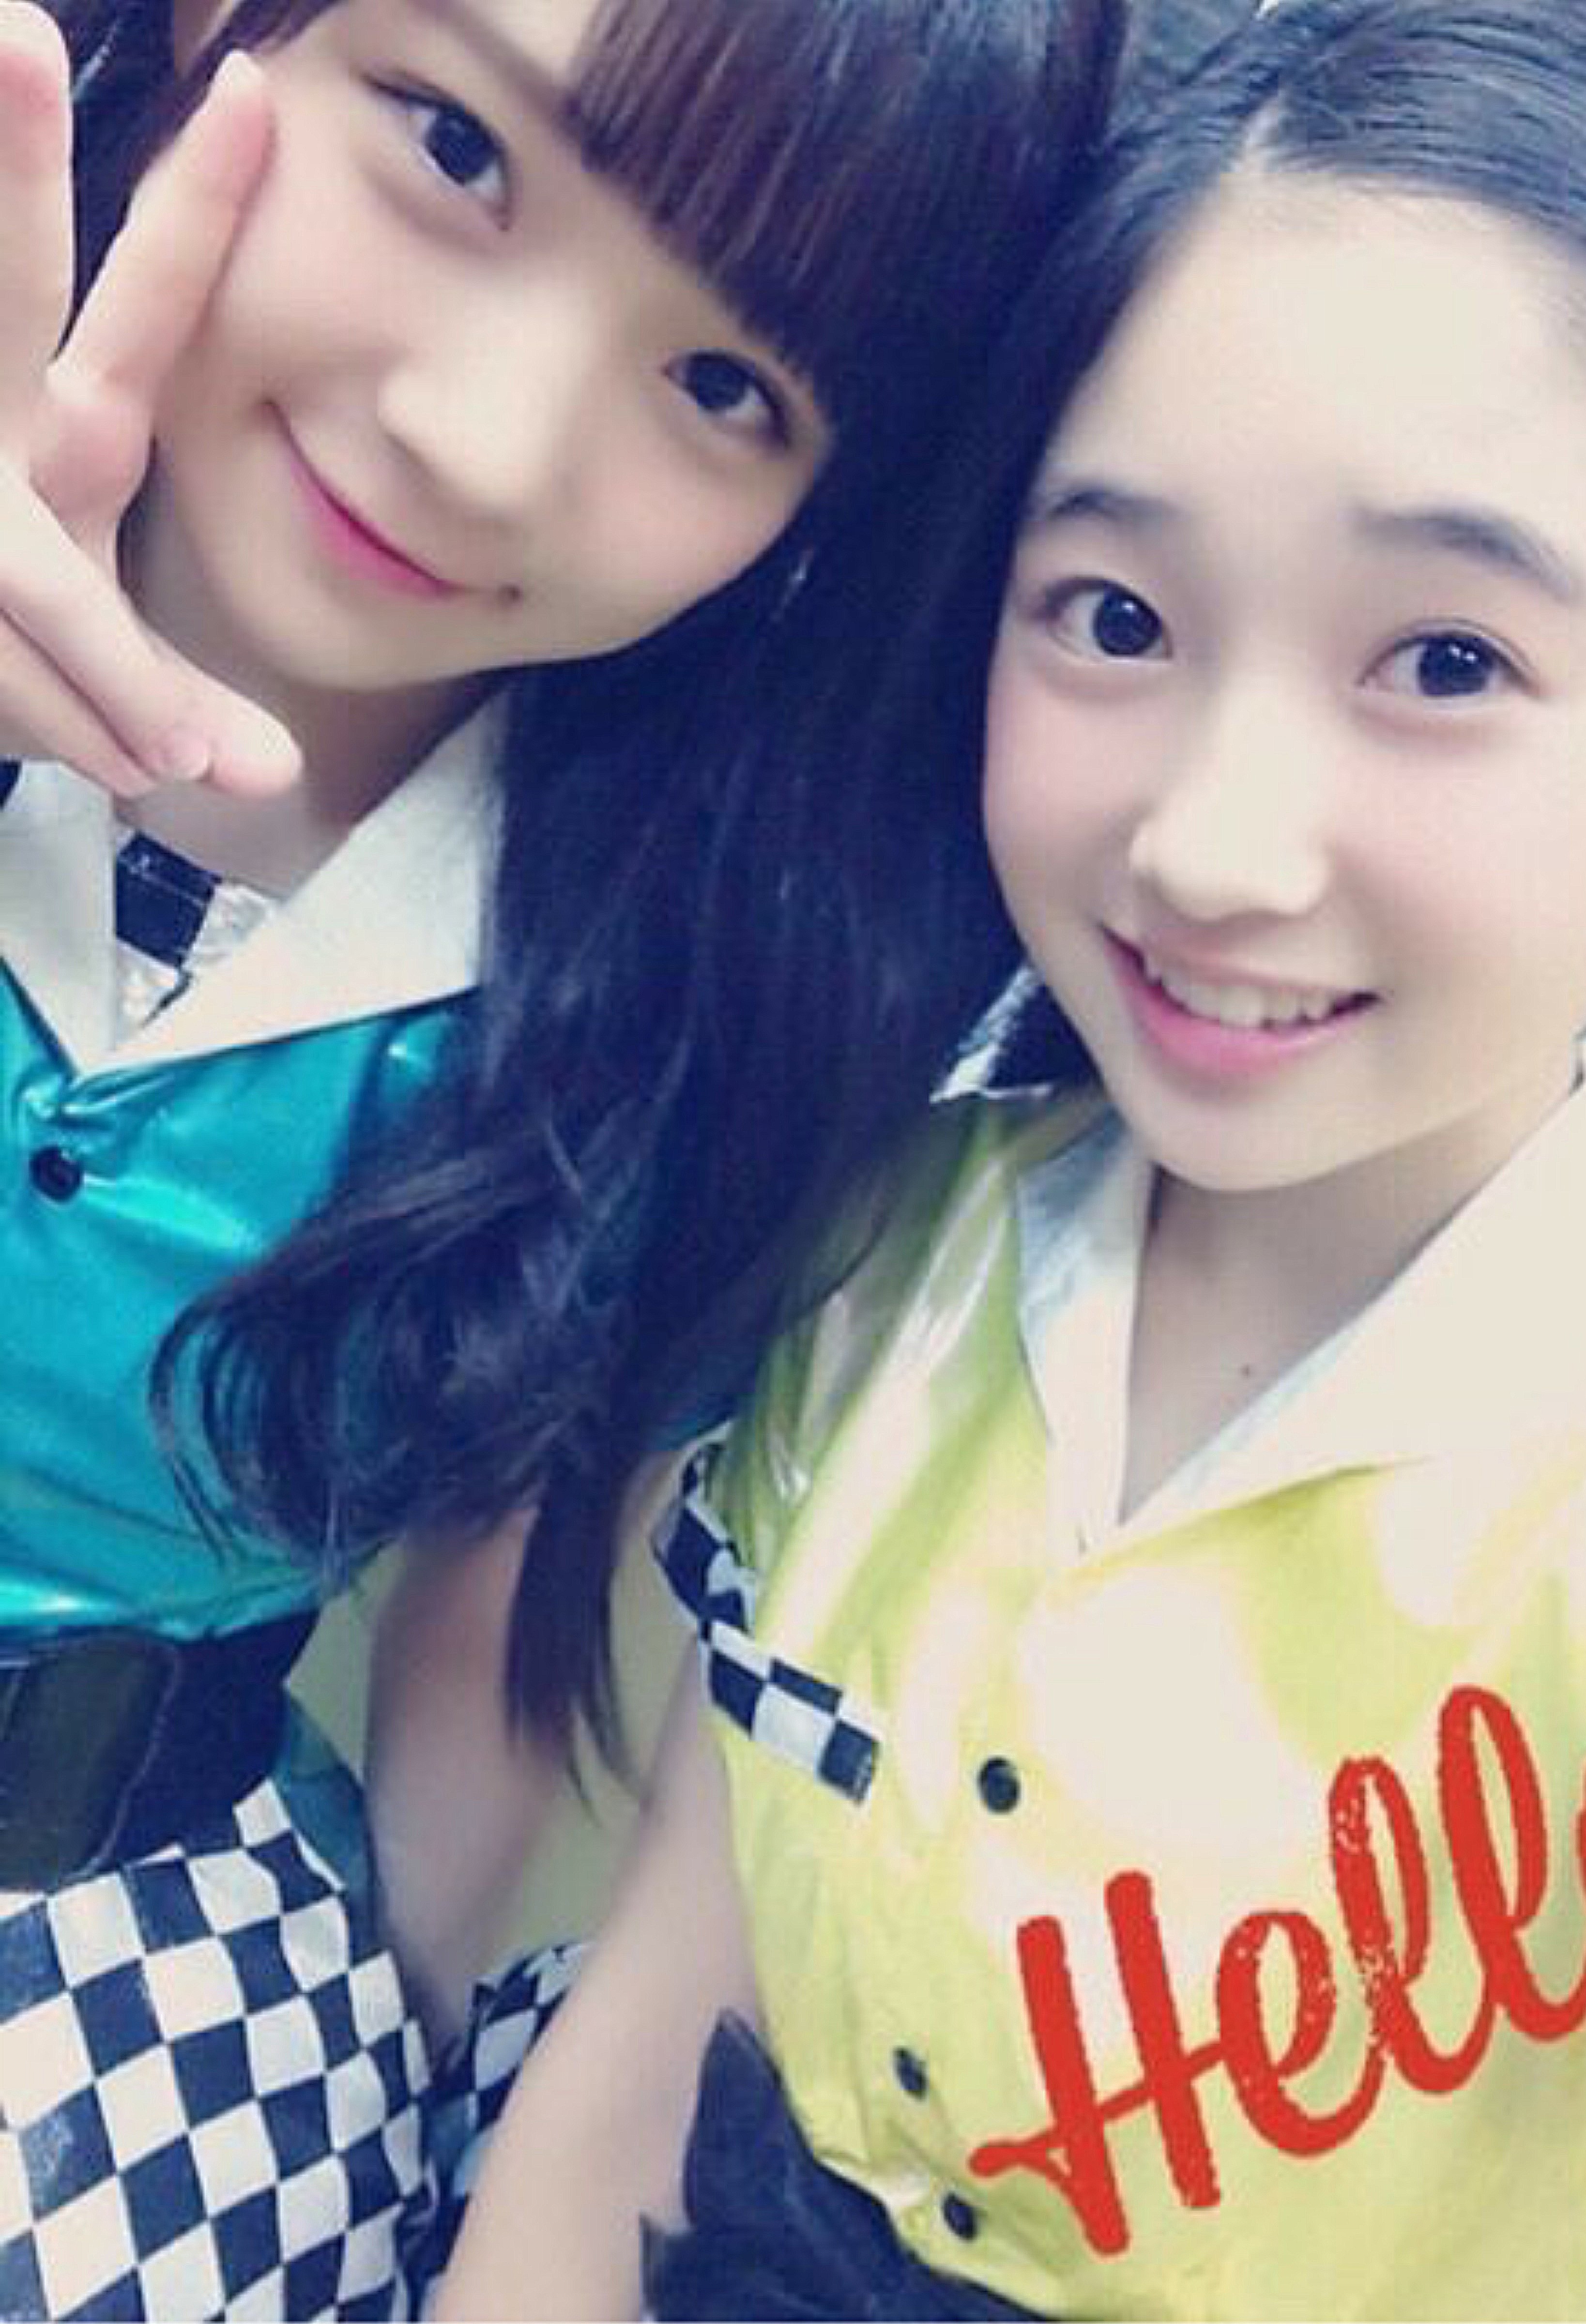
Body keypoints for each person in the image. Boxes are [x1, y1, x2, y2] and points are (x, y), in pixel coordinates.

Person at [433, 1, 1586, 2314]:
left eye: (1446, 661)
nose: (1212, 845)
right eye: (1115, 619)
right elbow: (647, 2056)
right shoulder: (889, 1254)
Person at [0, 0, 1134, 2312]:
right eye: (451, 147)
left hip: (124, 1965)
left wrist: (379, 2067)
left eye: (725, 383)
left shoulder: (677, 1019)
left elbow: (491, 1638)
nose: (485, 444)